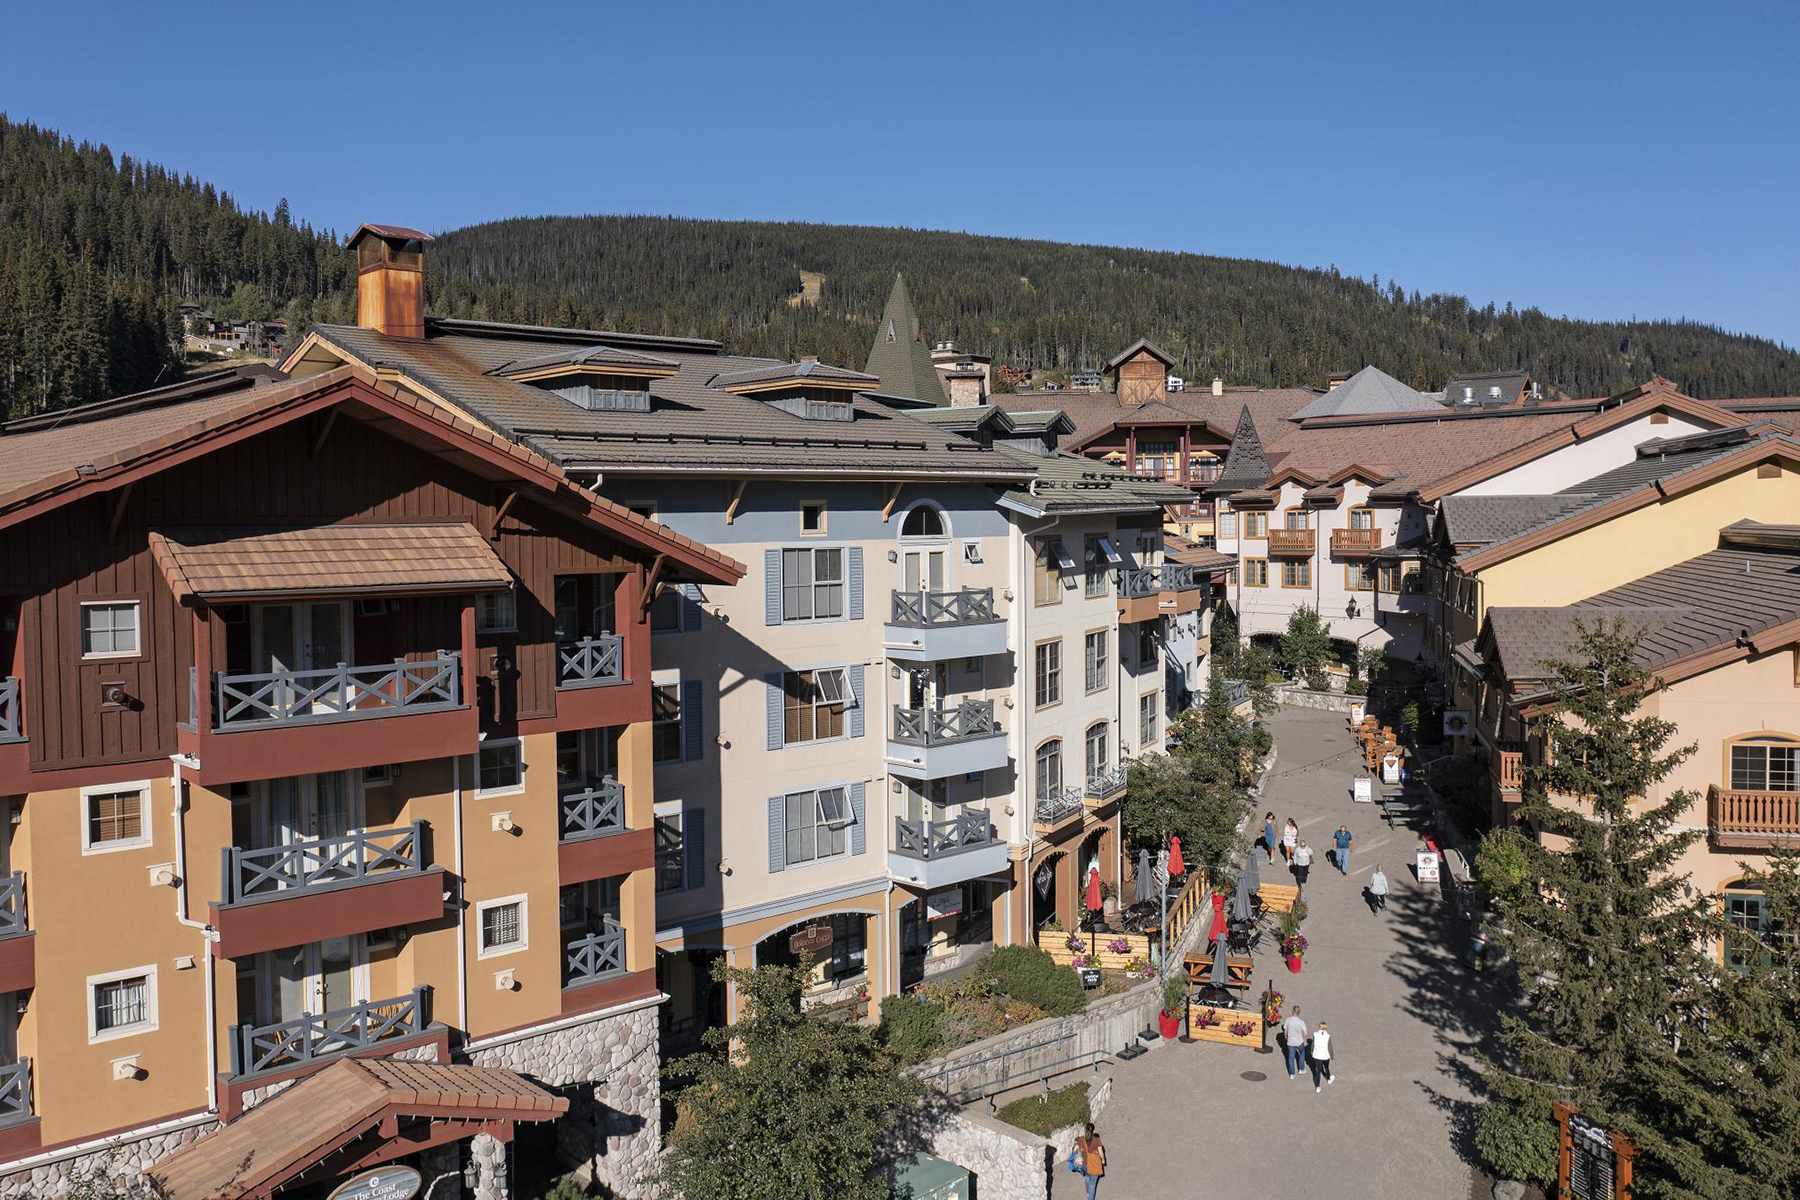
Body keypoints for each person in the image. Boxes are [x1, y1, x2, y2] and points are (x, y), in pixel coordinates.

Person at [1076, 1122, 1106, 1197]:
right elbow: (1101, 1153)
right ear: (1093, 1130)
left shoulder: (1081, 1139)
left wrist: (1078, 1157)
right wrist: (1103, 1160)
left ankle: (1088, 1193)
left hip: (1084, 1164)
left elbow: (1075, 1150)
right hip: (1094, 1165)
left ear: (1085, 1130)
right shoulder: (1096, 1140)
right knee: (1092, 1184)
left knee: (1087, 1176)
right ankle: (1090, 1196)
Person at [1281, 1005, 1308, 1079]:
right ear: (1299, 1013)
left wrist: (1286, 1036)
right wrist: (1302, 1038)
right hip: (1299, 1042)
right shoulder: (1301, 1022)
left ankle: (1292, 1074)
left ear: (1293, 1012)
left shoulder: (1288, 1020)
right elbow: (1305, 1033)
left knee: (1290, 1057)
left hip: (1291, 1042)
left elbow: (1285, 1031)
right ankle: (1301, 1069)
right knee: (1302, 1054)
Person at [1310, 1021, 1334, 1092]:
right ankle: (1329, 1079)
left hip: (1317, 1055)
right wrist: (1332, 1056)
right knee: (1326, 1067)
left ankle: (1317, 1086)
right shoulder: (1328, 1036)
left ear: (1319, 1027)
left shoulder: (1315, 1034)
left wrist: (1311, 1051)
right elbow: (1330, 1047)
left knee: (1318, 1071)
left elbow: (1313, 1045)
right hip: (1325, 1055)